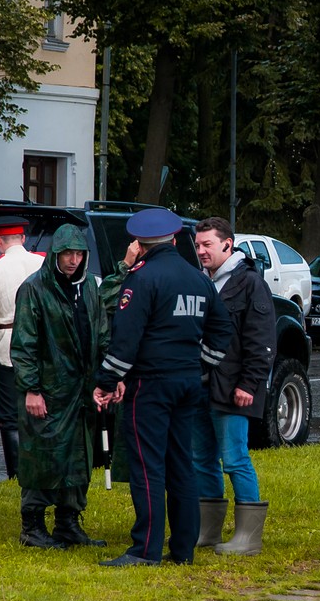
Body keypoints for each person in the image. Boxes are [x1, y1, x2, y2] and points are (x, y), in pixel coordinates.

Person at [93, 209, 234, 567]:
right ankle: (183, 549)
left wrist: (107, 382)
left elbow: (126, 340)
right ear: (174, 240)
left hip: (150, 385)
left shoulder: (141, 279)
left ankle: (145, 550)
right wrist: (199, 363)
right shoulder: (197, 278)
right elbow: (222, 330)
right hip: (187, 383)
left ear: (139, 246)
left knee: (148, 466)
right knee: (181, 465)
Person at [10, 224, 109, 550]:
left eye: (79, 254)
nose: (73, 260)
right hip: (49, 390)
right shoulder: (34, 289)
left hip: (81, 391)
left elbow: (101, 335)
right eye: (67, 253)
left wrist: (104, 379)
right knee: (43, 456)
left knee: (79, 456)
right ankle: (33, 525)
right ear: (55, 254)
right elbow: (24, 345)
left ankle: (68, 522)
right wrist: (32, 389)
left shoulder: (90, 288)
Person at [191, 218, 277, 556]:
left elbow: (262, 341)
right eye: (198, 245)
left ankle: (248, 537)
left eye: (207, 245)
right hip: (201, 387)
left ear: (228, 244)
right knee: (202, 459)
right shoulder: (202, 282)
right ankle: (208, 531)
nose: (201, 252)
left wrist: (249, 384)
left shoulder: (250, 284)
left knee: (235, 459)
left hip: (233, 390)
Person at [0, 215, 45, 479]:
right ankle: (40, 470)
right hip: (42, 346)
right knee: (42, 411)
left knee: (10, 415)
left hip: (7, 348)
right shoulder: (42, 263)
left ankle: (17, 474)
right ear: (23, 239)